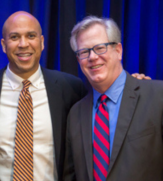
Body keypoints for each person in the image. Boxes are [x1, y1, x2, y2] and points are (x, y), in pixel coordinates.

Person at [0, 11, 86, 181]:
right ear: (3, 45)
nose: (23, 44)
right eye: (14, 37)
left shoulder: (71, 88)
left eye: (31, 36)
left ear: (42, 42)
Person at [64, 16, 163, 181]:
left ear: (118, 51)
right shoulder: (75, 115)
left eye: (100, 48)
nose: (92, 57)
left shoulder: (158, 97)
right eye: (84, 52)